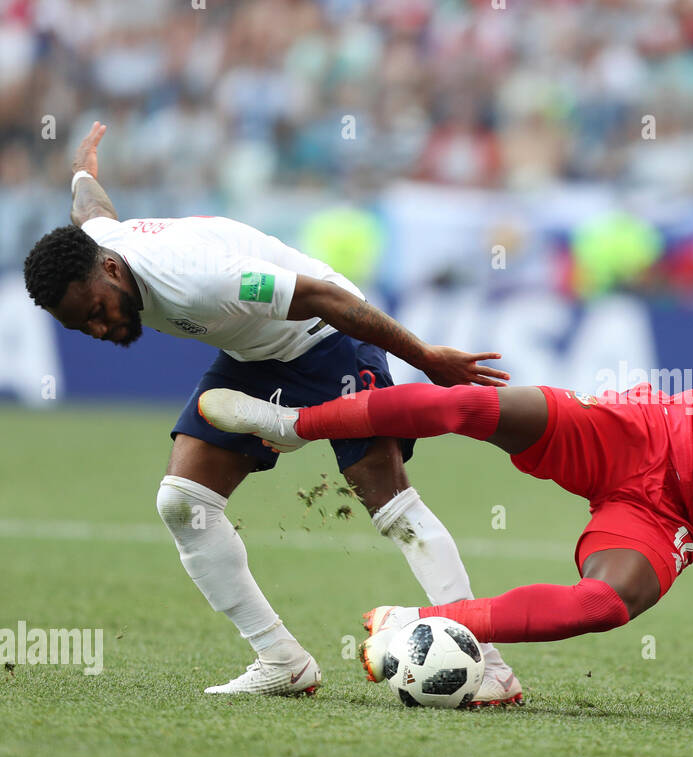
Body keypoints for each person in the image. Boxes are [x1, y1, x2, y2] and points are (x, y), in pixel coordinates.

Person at [201, 49, 693, 731]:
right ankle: (295, 422)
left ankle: (424, 622)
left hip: (670, 520)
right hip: (636, 434)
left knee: (607, 606)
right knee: (474, 404)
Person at [22, 122, 523, 702]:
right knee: (182, 504)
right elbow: (90, 207)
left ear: (110, 271)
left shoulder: (193, 281)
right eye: (81, 326)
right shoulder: (100, 244)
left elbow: (326, 298)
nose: (100, 328)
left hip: (326, 335)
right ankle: (281, 659)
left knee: (385, 497)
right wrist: (84, 165)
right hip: (254, 353)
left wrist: (426, 357)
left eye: (97, 312)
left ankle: (487, 660)